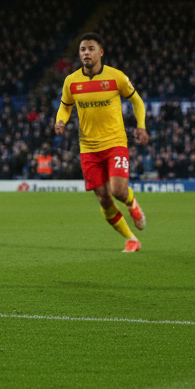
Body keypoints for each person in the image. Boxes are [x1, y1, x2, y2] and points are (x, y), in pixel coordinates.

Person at [54, 32, 148, 252]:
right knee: (104, 199)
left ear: (101, 52)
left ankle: (133, 205)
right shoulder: (72, 81)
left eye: (91, 49)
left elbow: (137, 101)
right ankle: (131, 239)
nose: (86, 53)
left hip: (115, 142)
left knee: (118, 191)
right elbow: (65, 105)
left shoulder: (116, 77)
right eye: (83, 50)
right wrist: (60, 120)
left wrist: (141, 125)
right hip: (88, 148)